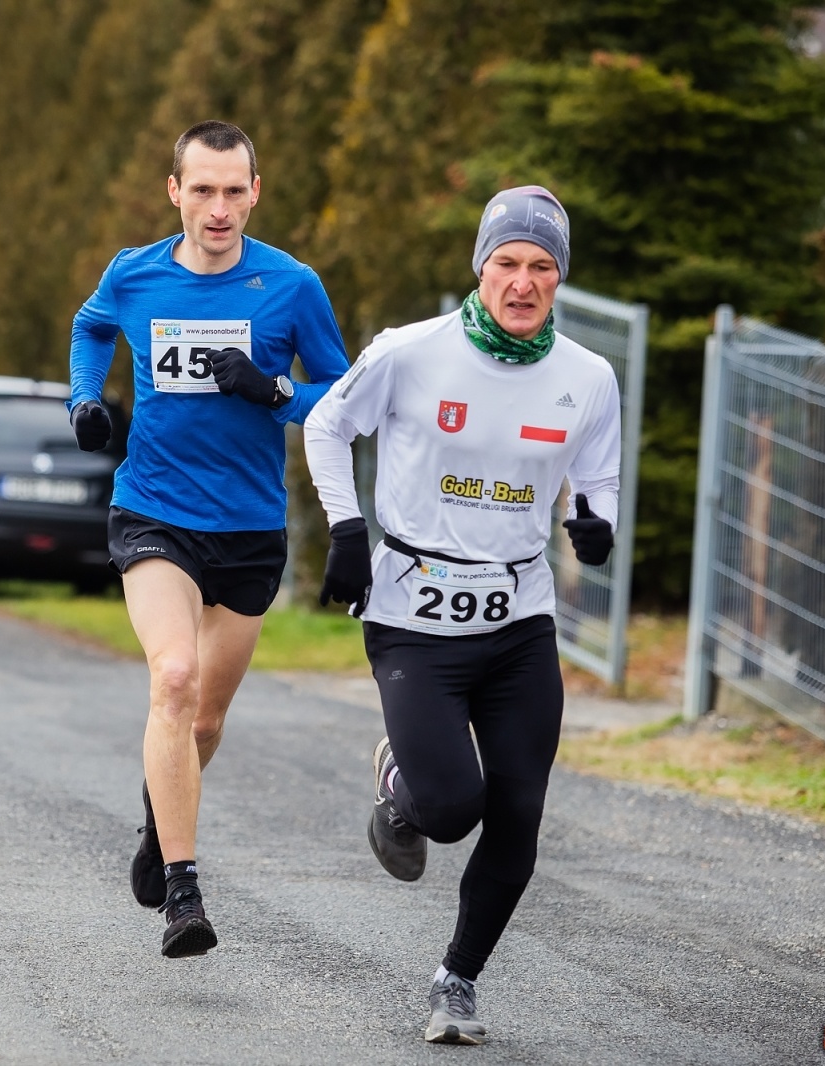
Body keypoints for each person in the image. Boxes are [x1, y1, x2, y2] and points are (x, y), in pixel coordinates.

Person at [303, 186, 622, 1044]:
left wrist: (596, 525)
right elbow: (327, 427)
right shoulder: (410, 352)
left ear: (559, 279)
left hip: (519, 622)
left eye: (542, 267)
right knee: (450, 810)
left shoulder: (588, 378)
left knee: (519, 810)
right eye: (507, 262)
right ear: (481, 267)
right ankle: (402, 783)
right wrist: (347, 528)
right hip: (414, 613)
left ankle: (458, 980)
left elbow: (598, 480)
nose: (523, 282)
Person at [69, 120, 351, 957]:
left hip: (249, 527)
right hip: (154, 511)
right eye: (202, 190)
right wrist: (85, 399)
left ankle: (158, 822)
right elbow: (90, 327)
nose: (218, 208)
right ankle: (184, 893)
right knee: (175, 678)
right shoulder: (134, 273)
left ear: (255, 194)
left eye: (233, 191)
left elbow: (343, 396)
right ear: (175, 192)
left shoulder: (291, 285)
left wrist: (274, 391)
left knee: (202, 722)